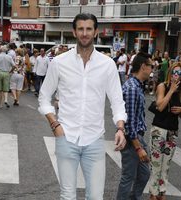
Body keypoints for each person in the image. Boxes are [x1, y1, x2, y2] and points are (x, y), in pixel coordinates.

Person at [38, 13, 127, 200]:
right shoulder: (60, 63)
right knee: (67, 196)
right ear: (74, 32)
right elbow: (44, 97)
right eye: (80, 29)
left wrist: (120, 127)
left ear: (95, 32)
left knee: (95, 196)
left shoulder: (107, 65)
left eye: (88, 29)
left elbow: (117, 101)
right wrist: (55, 124)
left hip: (94, 139)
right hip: (66, 136)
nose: (84, 33)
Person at [149, 62, 181, 200]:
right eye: (174, 72)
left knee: (166, 166)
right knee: (156, 164)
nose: (175, 76)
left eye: (179, 73)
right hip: (158, 129)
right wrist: (170, 90)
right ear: (170, 73)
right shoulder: (162, 86)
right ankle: (153, 194)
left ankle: (162, 193)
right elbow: (160, 106)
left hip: (172, 132)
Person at [116, 52, 152, 200]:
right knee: (128, 177)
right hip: (132, 140)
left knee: (144, 173)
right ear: (143, 66)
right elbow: (129, 123)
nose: (152, 69)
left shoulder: (137, 86)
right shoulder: (131, 88)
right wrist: (138, 147)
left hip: (138, 137)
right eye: (151, 66)